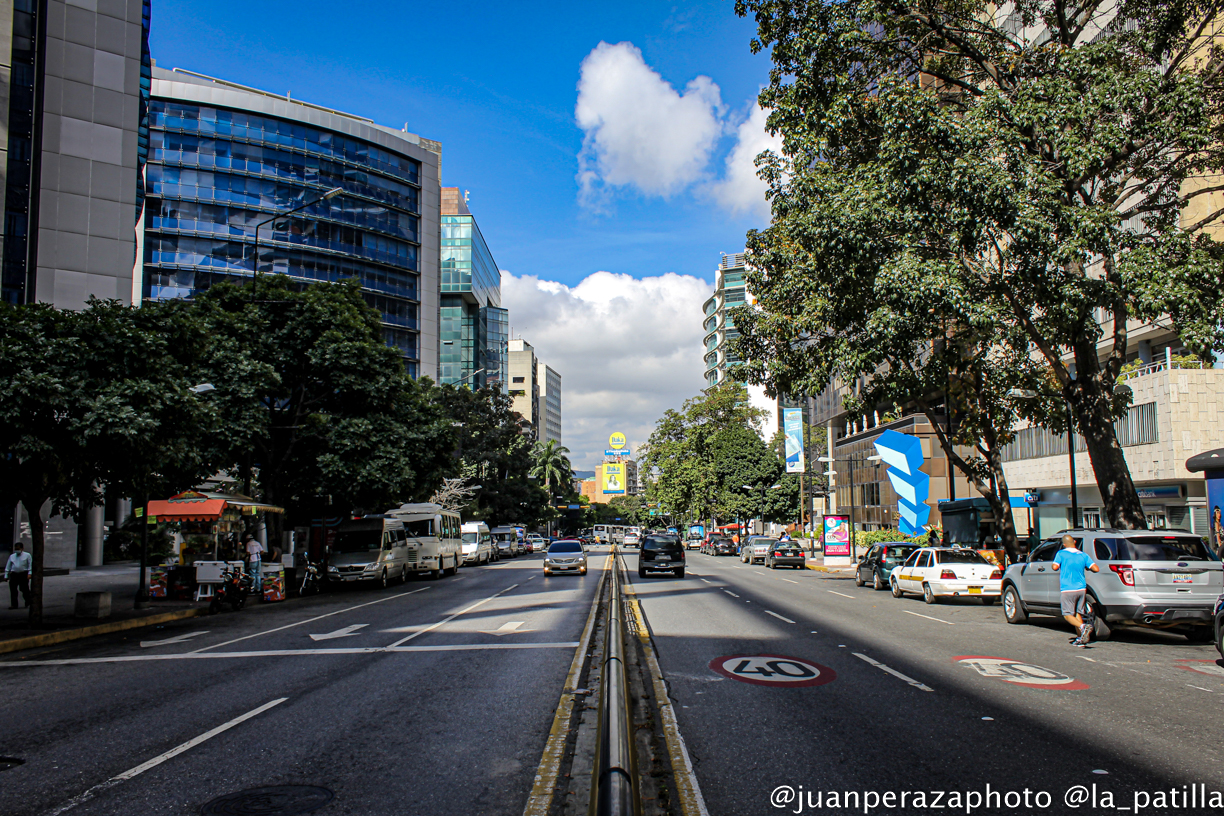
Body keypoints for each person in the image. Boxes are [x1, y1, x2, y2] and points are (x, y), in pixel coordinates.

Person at [1051, 534, 1099, 647]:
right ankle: (1081, 639)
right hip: (1081, 588)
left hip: (1068, 589)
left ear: (1064, 544)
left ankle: (1083, 627)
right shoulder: (1083, 555)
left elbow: (1054, 567)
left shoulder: (1061, 553)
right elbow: (1096, 569)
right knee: (1077, 613)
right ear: (1075, 542)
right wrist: (1086, 567)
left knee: (1067, 614)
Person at [5, 542, 32, 609]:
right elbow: (8, 566)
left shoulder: (27, 555)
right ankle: (14, 604)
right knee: (13, 589)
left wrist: (29, 573)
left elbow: (30, 565)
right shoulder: (12, 556)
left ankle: (28, 601)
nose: (17, 550)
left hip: (23, 573)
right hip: (14, 574)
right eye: (16, 549)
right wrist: (6, 575)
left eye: (18, 549)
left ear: (22, 548)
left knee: (24, 589)